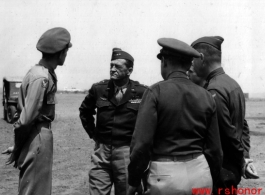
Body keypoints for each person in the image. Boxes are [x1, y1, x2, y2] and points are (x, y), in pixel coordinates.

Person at [127, 38, 223, 195]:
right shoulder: (206, 95)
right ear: (188, 64)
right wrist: (214, 180)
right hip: (200, 173)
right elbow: (215, 150)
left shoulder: (155, 92)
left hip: (165, 176)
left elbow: (141, 146)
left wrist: (134, 180)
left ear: (164, 61)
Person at [2, 27, 72, 195]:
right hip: (38, 137)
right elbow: (26, 119)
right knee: (36, 191)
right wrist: (18, 147)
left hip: (36, 137)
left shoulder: (41, 73)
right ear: (60, 52)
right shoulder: (41, 77)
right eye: (66, 51)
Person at [191, 36, 258, 194]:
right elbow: (243, 126)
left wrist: (241, 161)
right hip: (231, 169)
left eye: (192, 60)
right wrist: (245, 156)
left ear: (201, 58)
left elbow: (228, 134)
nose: (190, 65)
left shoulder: (214, 89)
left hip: (221, 170)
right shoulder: (232, 83)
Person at [79, 48, 147, 195]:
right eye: (111, 65)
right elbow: (85, 111)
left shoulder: (142, 92)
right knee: (97, 189)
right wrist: (93, 134)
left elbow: (148, 121)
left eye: (117, 66)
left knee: (126, 191)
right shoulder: (99, 89)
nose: (112, 69)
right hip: (101, 152)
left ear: (129, 70)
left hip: (126, 152)